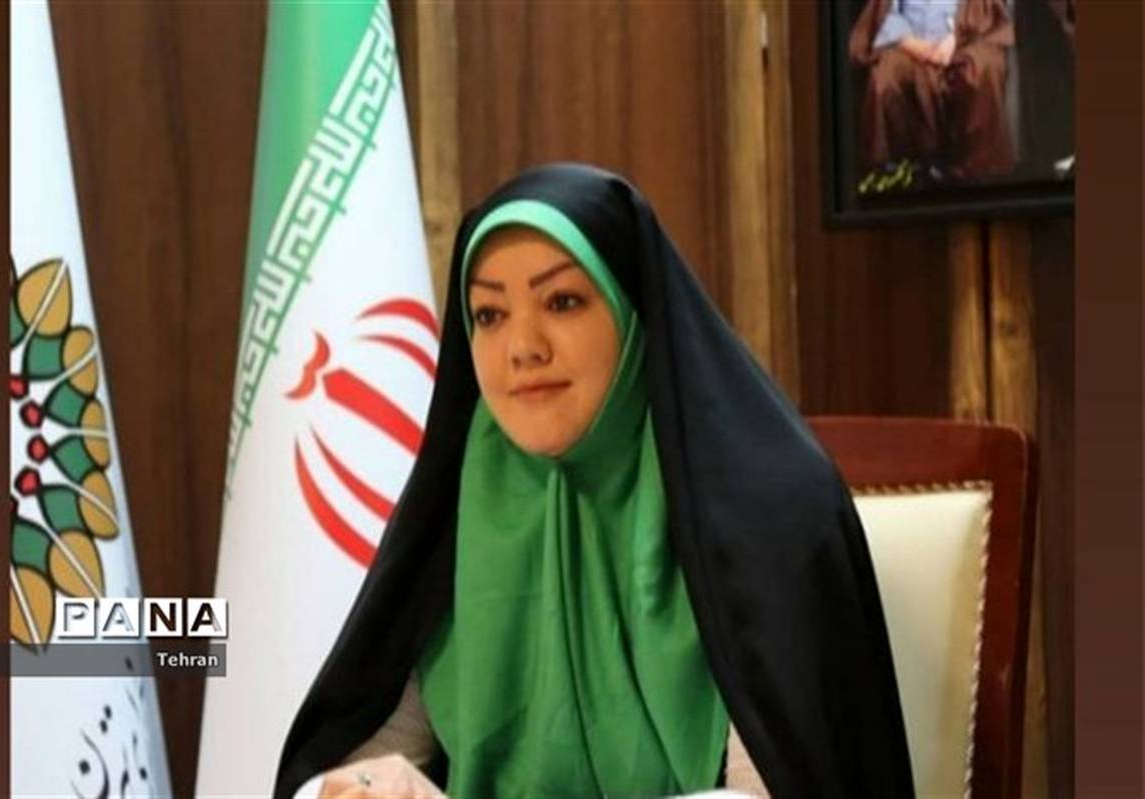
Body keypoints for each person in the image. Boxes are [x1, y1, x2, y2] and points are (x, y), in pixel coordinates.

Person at [274, 163, 914, 798]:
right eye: (489, 315)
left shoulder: (770, 504)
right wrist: (355, 788)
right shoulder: (467, 490)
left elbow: (777, 787)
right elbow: (364, 755)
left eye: (562, 302)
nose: (523, 347)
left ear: (636, 309)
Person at [849, 0, 1016, 183]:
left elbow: (982, 15)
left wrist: (954, 39)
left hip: (963, 40)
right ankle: (897, 173)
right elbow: (887, 13)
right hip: (909, 46)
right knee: (885, 77)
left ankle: (978, 173)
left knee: (983, 67)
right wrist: (912, 44)